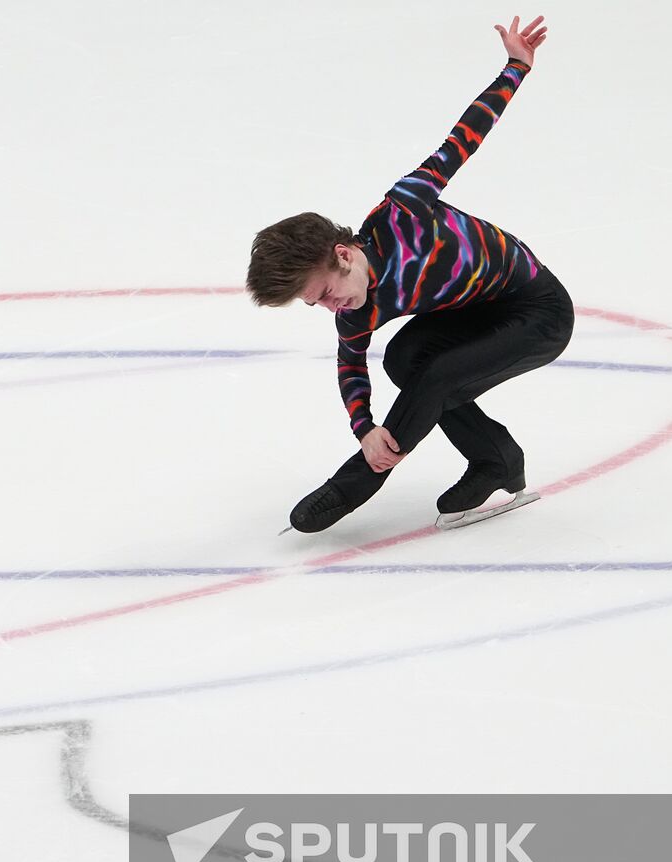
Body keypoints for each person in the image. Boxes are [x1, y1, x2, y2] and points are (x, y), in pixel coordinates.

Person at [246, 15, 574, 533]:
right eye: (317, 305)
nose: (331, 308)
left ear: (344, 254)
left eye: (327, 292)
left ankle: (358, 482)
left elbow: (464, 137)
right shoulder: (357, 307)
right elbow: (351, 367)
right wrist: (365, 428)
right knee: (404, 359)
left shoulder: (404, 211)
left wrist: (516, 65)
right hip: (475, 316)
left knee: (438, 375)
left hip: (536, 311)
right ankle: (497, 459)